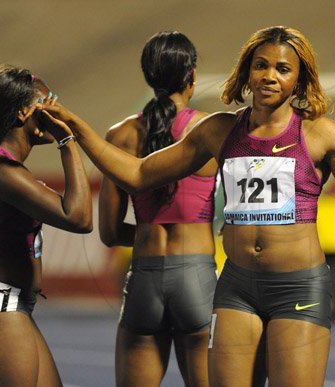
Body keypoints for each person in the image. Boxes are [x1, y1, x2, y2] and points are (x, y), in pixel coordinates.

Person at [44, 26, 335, 387]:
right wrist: (76, 128)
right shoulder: (218, 130)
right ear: (245, 73)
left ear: (299, 79)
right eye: (260, 65)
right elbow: (139, 174)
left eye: (282, 69)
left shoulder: (323, 136)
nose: (269, 75)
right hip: (238, 288)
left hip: (297, 289)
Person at [0, 65, 92, 387]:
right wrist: (66, 139)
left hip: (4, 303)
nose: (54, 110)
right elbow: (79, 218)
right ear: (24, 112)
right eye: (48, 101)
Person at [98, 31, 218, 387]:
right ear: (192, 74)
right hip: (197, 275)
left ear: (148, 75)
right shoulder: (210, 129)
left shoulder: (120, 136)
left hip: (144, 277)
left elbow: (108, 232)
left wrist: (151, 232)